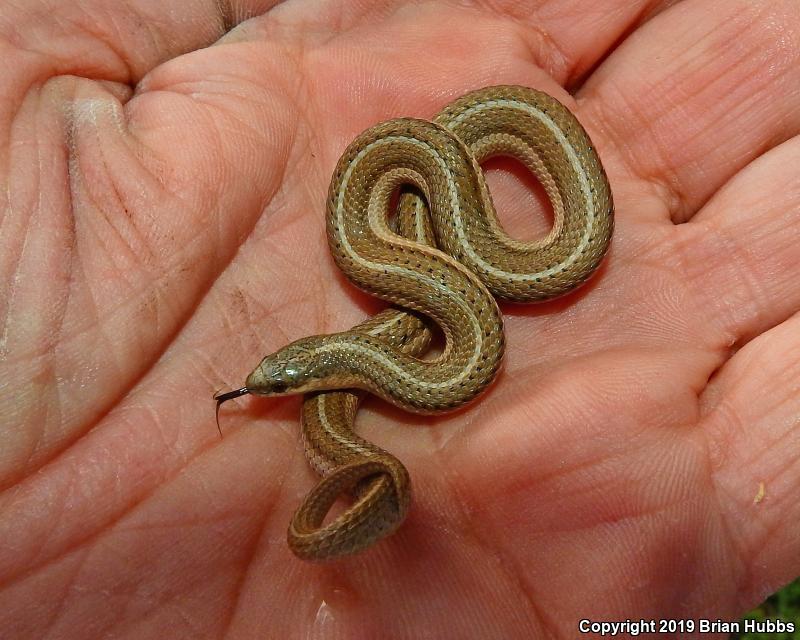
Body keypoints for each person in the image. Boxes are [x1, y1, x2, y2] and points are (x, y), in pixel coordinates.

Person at [0, 0, 798, 637]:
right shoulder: (388, 291)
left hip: (440, 215)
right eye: (281, 377)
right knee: (437, 248)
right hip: (424, 235)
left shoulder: (397, 264)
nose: (271, 385)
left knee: (467, 236)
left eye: (287, 375)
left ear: (323, 363)